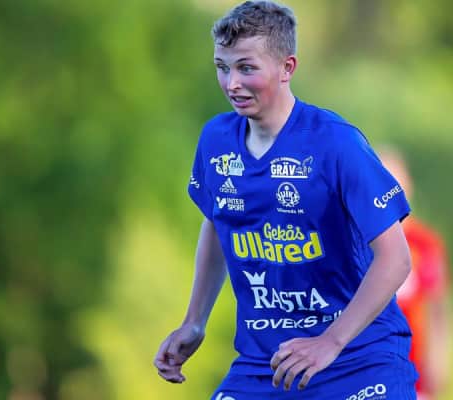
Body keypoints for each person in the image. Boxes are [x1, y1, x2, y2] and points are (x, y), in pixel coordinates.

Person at [154, 2, 417, 398]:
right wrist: (195, 320)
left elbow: (396, 259)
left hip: (359, 360)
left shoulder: (336, 143)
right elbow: (218, 222)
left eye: (246, 68)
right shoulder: (216, 140)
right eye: (222, 67)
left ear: (287, 67)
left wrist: (330, 341)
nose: (232, 83)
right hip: (267, 365)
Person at [379, 149, 451, 400]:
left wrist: (439, 358)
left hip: (412, 369)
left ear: (407, 186)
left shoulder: (425, 243)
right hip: (366, 367)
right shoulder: (355, 242)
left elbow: (438, 307)